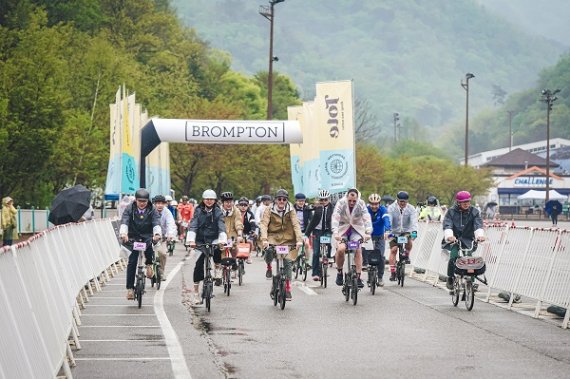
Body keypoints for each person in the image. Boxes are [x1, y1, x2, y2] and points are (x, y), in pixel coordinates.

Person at [260, 189, 303, 300]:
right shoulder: (268, 209)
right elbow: (264, 224)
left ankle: (288, 288)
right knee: (269, 250)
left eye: (284, 199)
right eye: (279, 199)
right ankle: (269, 266)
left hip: (288, 238)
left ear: (287, 200)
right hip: (272, 237)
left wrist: (299, 240)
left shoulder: (291, 209)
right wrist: (264, 239)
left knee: (288, 262)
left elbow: (296, 225)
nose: (281, 201)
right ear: (275, 200)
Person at [119, 188, 162, 300]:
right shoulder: (129, 208)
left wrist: (157, 234)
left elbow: (156, 222)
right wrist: (124, 233)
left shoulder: (152, 209)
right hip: (133, 236)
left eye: (144, 201)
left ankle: (149, 265)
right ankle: (129, 289)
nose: (142, 203)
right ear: (136, 200)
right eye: (140, 201)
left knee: (149, 250)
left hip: (147, 236)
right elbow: (125, 220)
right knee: (132, 262)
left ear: (148, 201)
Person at [186, 189, 227, 305]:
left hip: (213, 238)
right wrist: (191, 239)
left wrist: (222, 239)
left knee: (218, 248)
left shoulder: (218, 212)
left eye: (211, 199)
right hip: (200, 240)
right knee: (198, 265)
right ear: (203, 200)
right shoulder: (198, 211)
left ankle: (218, 268)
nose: (209, 201)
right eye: (207, 199)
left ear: (215, 200)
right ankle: (196, 293)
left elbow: (221, 226)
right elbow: (193, 225)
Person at [442, 190, 486, 290]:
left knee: (470, 260)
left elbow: (478, 224)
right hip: (454, 239)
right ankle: (450, 278)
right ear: (458, 202)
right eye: (464, 202)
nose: (467, 204)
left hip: (468, 239)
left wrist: (480, 235)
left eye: (468, 201)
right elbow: (447, 224)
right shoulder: (451, 212)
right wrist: (449, 236)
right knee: (453, 257)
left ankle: (472, 282)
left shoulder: (474, 211)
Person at [331, 188, 372, 289]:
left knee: (357, 248)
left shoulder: (361, 203)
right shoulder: (341, 203)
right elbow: (335, 217)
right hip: (342, 229)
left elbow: (366, 217)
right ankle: (339, 271)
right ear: (346, 197)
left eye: (354, 201)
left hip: (356, 229)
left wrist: (368, 232)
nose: (352, 202)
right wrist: (336, 233)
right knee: (340, 249)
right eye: (350, 200)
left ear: (357, 198)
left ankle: (358, 276)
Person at [386, 191, 418, 281]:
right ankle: (393, 272)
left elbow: (414, 221)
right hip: (394, 231)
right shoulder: (391, 208)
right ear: (397, 200)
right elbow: (389, 219)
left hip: (405, 231)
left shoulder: (411, 209)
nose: (403, 203)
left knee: (409, 240)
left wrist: (414, 232)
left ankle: (407, 254)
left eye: (405, 201)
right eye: (401, 201)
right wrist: (388, 231)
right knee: (394, 250)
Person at [304, 189, 334, 281]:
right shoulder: (317, 208)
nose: (324, 202)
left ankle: (329, 257)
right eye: (321, 200)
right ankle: (315, 273)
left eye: (325, 200)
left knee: (331, 243)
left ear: (329, 199)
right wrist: (306, 234)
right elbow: (311, 219)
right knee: (316, 252)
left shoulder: (333, 208)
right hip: (317, 231)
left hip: (328, 230)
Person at [364, 193, 391, 286]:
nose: (374, 206)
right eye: (372, 204)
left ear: (379, 203)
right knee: (368, 255)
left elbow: (386, 219)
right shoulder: (366, 210)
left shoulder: (383, 209)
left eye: (376, 204)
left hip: (380, 236)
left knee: (381, 257)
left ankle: (380, 277)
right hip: (368, 236)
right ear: (369, 203)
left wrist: (387, 230)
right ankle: (369, 276)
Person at [152, 195, 177, 280]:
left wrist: (170, 234)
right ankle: (148, 269)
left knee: (162, 253)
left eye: (162, 203)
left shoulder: (167, 212)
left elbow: (171, 223)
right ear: (154, 204)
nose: (160, 205)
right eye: (158, 203)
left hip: (162, 237)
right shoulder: (150, 211)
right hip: (150, 237)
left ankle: (161, 272)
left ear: (165, 204)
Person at [220, 191, 244, 278]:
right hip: (221, 235)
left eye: (230, 202)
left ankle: (234, 261)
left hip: (233, 234)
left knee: (234, 247)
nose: (229, 204)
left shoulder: (236, 211)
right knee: (220, 251)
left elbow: (238, 222)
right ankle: (220, 271)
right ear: (222, 202)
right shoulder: (218, 211)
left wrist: (240, 234)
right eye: (226, 202)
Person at [293, 193, 313, 272]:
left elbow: (311, 220)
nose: (301, 203)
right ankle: (294, 262)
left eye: (303, 201)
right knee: (296, 247)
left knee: (307, 244)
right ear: (296, 201)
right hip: (294, 232)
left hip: (305, 231)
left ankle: (308, 262)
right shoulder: (292, 209)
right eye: (299, 201)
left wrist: (310, 231)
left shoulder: (307, 209)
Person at [237, 197, 256, 263]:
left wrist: (253, 230)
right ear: (238, 205)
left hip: (247, 232)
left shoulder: (250, 214)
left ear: (248, 206)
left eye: (245, 205)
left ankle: (249, 255)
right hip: (236, 232)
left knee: (249, 241)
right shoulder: (235, 213)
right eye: (241, 205)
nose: (243, 207)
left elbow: (253, 224)